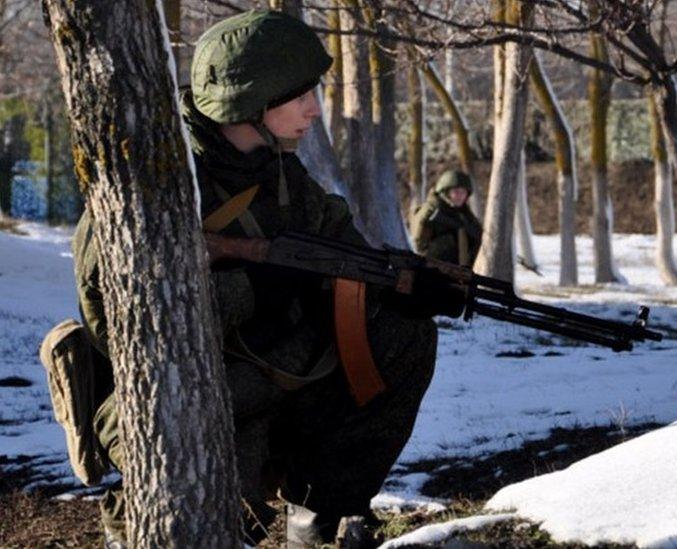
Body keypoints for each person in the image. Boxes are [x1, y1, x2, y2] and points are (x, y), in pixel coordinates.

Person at [73, 10, 447, 547]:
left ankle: (324, 519)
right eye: (299, 98)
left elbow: (343, 249)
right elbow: (129, 330)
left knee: (403, 337)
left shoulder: (281, 173)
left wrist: (402, 288)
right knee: (226, 524)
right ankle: (138, 516)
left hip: (272, 371)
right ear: (250, 103)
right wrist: (255, 288)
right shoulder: (158, 189)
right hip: (172, 403)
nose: (314, 110)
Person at [410, 170, 483, 267]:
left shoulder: (465, 214)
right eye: (456, 192)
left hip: (460, 271)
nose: (460, 196)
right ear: (445, 191)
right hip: (434, 270)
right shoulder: (431, 210)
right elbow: (419, 245)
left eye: (463, 192)